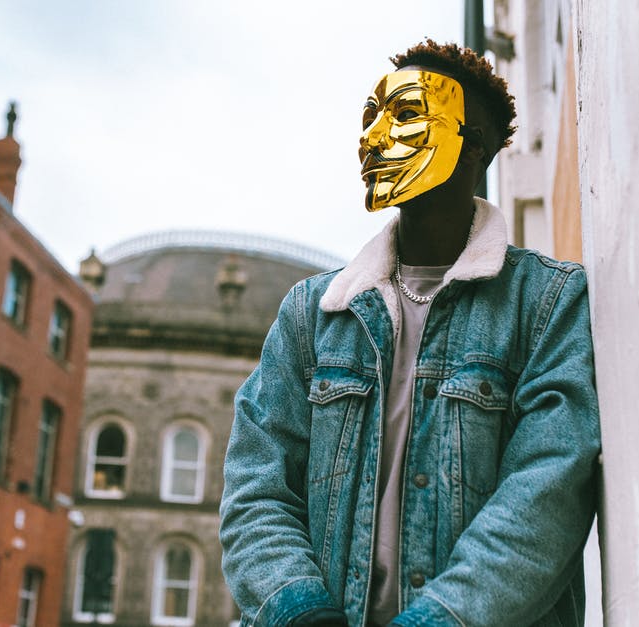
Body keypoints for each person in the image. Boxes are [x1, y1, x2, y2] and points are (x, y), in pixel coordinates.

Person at [219, 39, 601, 627]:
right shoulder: (311, 313)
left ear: (470, 147)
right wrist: (297, 609)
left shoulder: (548, 303)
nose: (372, 139)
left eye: (403, 115)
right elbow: (255, 489)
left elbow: (549, 492)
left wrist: (440, 618)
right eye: (370, 117)